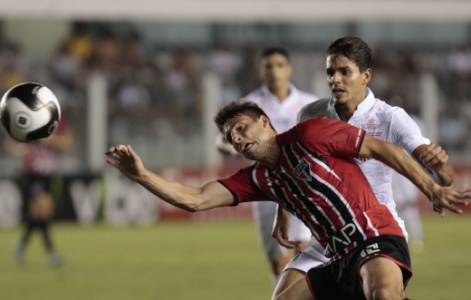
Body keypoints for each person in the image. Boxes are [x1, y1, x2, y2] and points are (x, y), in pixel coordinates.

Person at [106, 100, 469, 300]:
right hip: (337, 256)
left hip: (375, 235)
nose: (236, 137)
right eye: (230, 136)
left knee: (384, 294)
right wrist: (141, 175)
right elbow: (196, 199)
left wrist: (432, 189)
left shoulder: (310, 133)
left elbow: (380, 148)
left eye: (241, 127)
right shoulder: (259, 178)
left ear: (265, 122)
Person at [270, 36, 455, 299]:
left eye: (345, 72)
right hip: (327, 240)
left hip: (376, 233)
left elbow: (444, 175)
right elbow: (293, 164)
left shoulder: (389, 117)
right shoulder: (311, 115)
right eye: (330, 72)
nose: (335, 79)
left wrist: (440, 168)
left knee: (383, 294)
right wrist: (282, 211)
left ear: (366, 75)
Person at [216, 46, 318, 286]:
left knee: (303, 250)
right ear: (260, 71)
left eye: (280, 65)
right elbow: (220, 142)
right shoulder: (248, 105)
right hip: (266, 185)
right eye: (268, 66)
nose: (274, 71)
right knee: (277, 261)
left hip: (302, 184)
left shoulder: (309, 104)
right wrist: (238, 148)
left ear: (289, 69)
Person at [9, 116, 74, 267]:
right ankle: (51, 253)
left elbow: (68, 142)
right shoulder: (26, 117)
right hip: (32, 173)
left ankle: (21, 245)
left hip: (48, 175)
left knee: (37, 216)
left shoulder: (58, 119)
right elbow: (11, 144)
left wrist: (48, 140)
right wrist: (21, 150)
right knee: (45, 211)